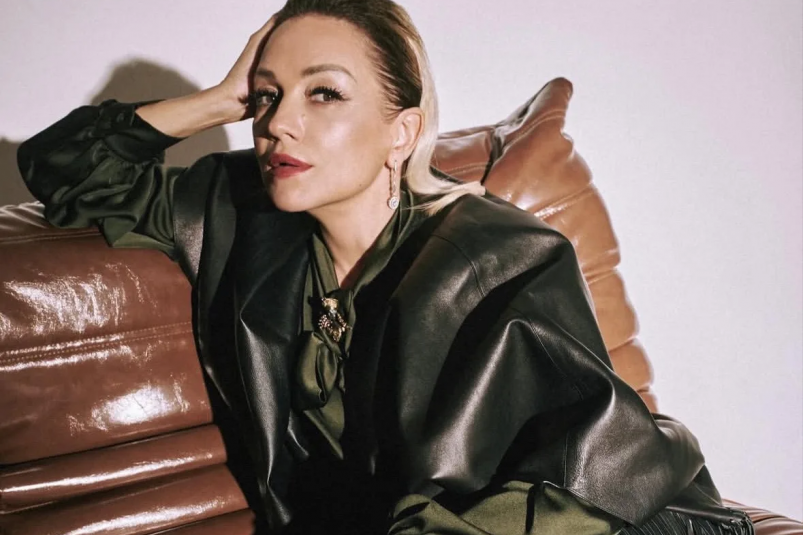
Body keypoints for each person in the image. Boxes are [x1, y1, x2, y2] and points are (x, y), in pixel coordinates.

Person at [17, 1, 754, 533]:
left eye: (324, 93)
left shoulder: (501, 256)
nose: (279, 123)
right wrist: (220, 100)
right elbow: (64, 165)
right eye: (269, 97)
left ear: (401, 132)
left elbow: (593, 474)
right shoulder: (239, 212)